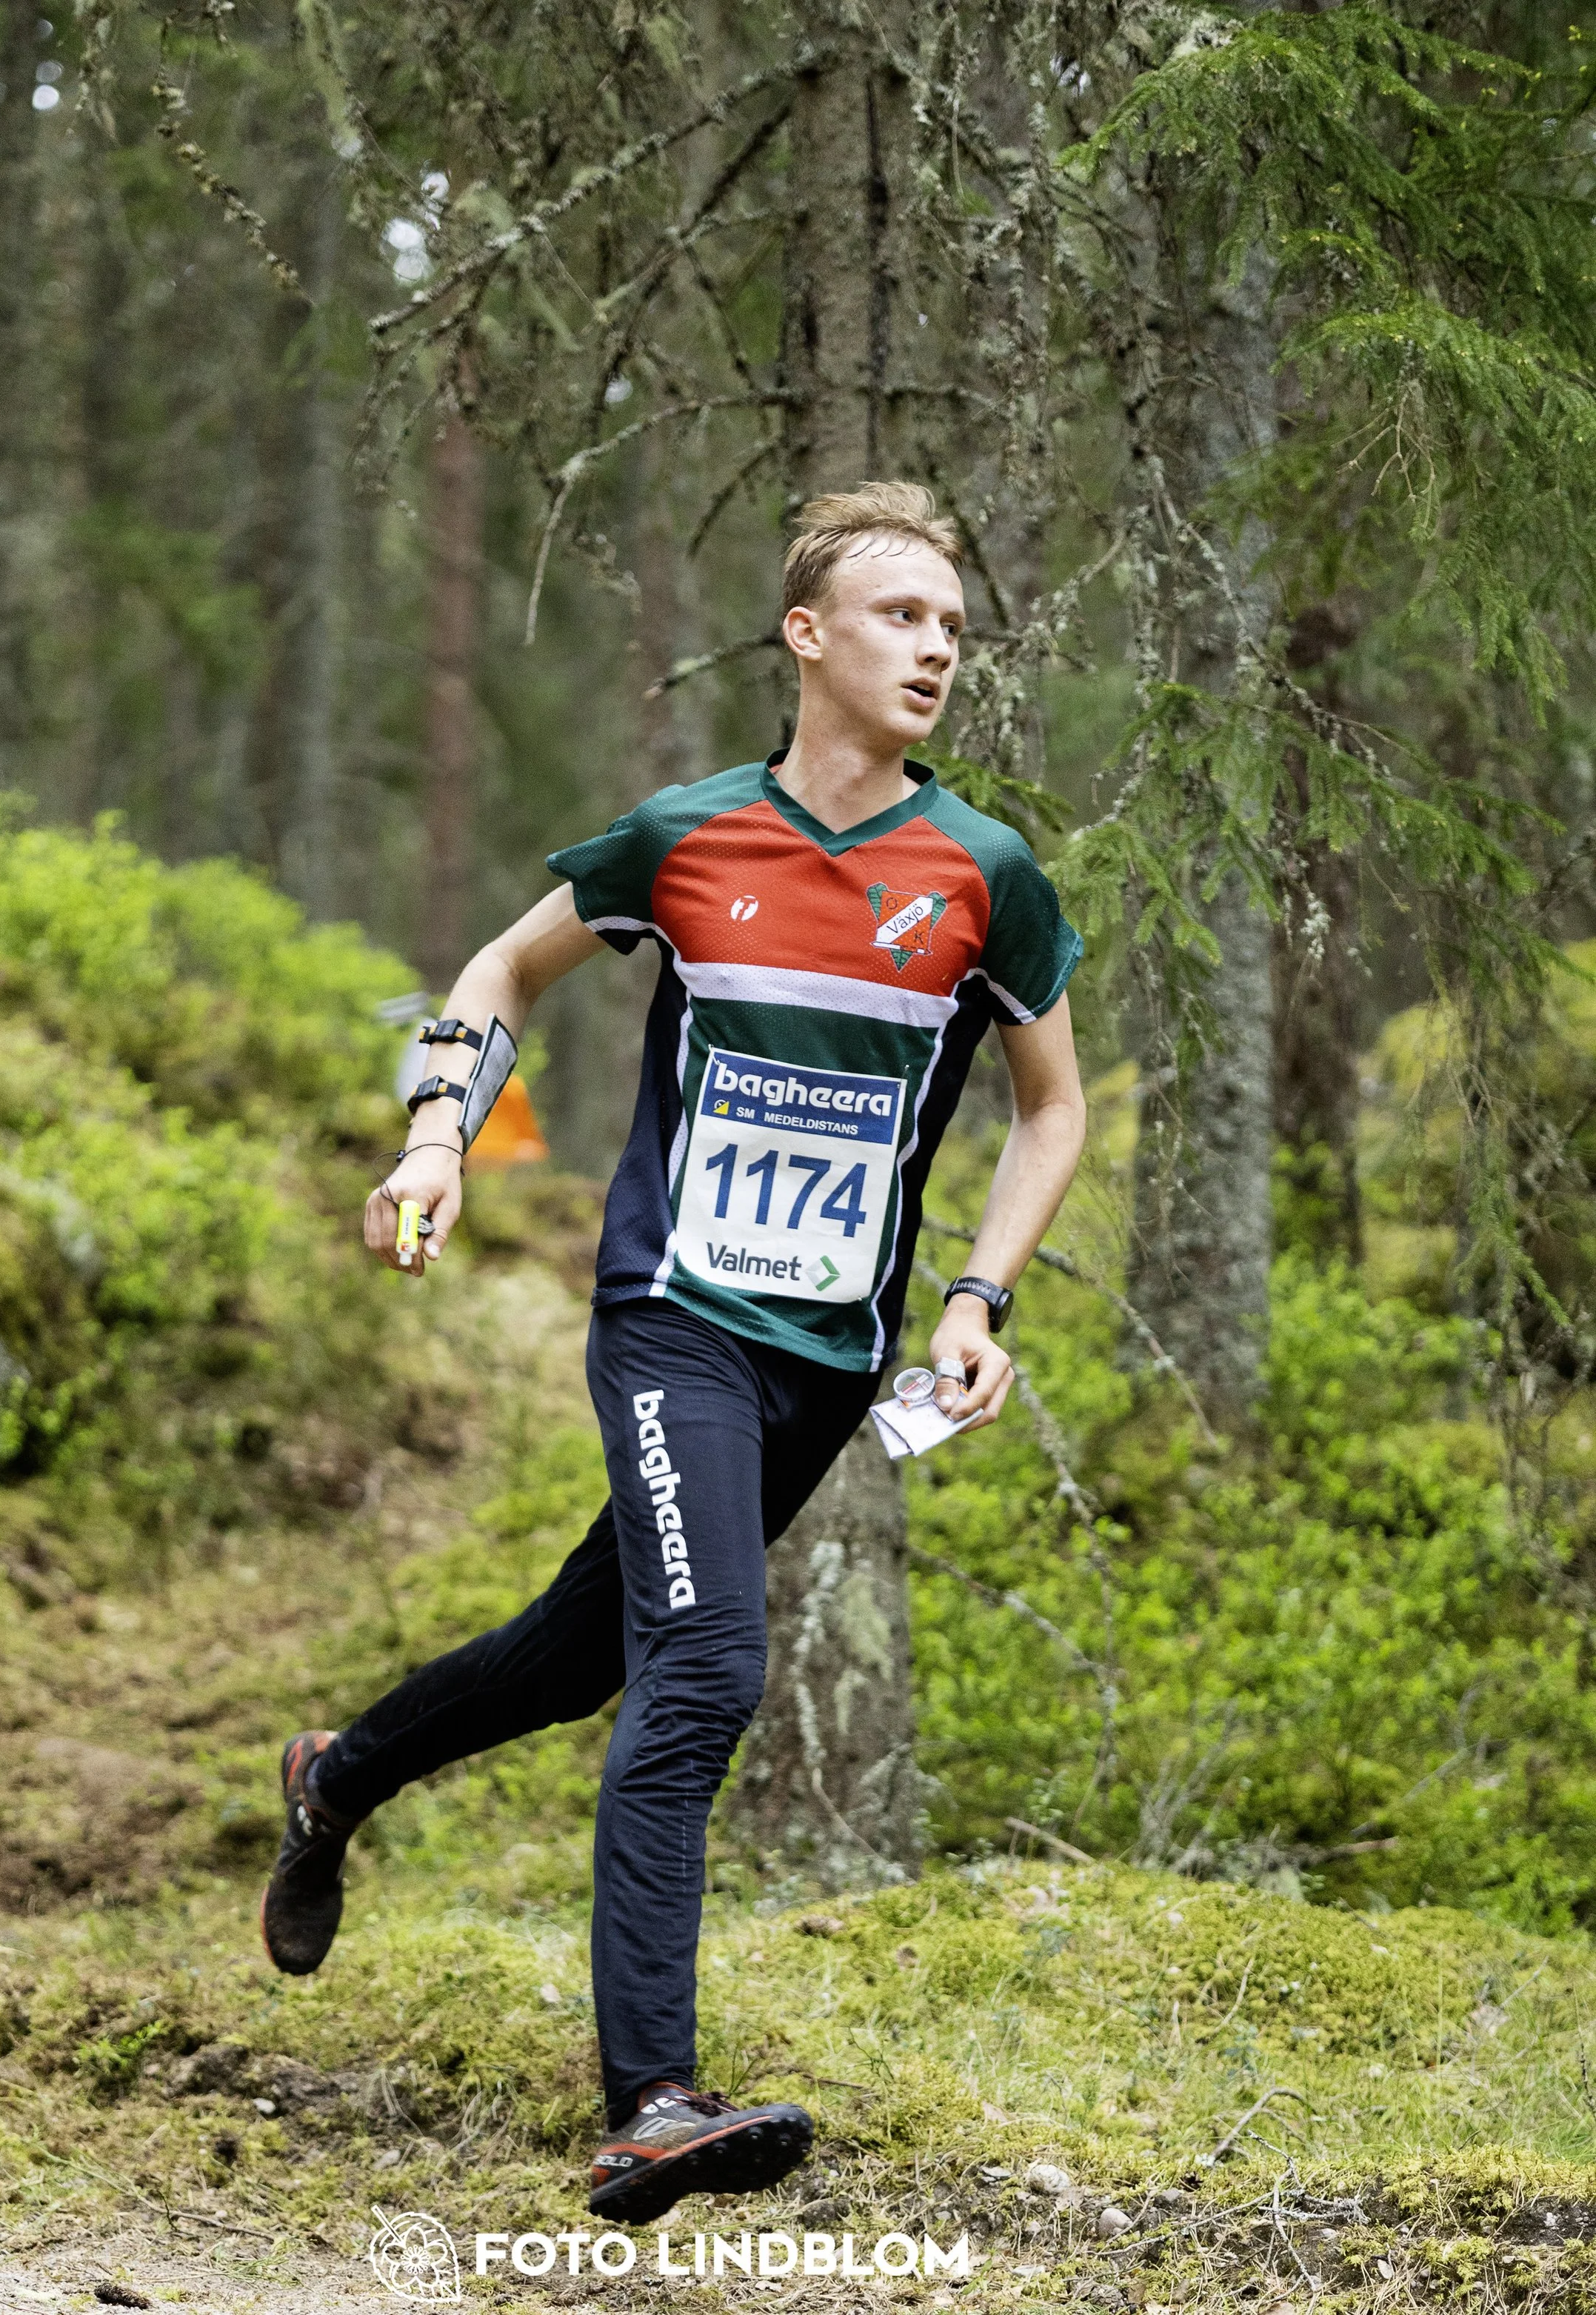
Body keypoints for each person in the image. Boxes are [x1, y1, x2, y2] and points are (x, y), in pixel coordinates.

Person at [260, 481, 1088, 2223]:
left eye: (949, 621)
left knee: (577, 1652)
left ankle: (334, 1776)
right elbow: (498, 967)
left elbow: (1050, 1103)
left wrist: (976, 1297)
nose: (934, 643)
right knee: (701, 1662)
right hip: (674, 1324)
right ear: (806, 635)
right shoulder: (687, 838)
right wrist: (433, 1138)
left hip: (828, 1361)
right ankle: (648, 2096)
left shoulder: (980, 876)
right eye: (896, 614)